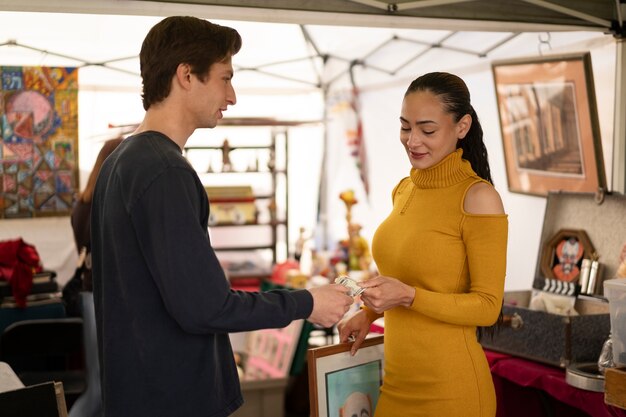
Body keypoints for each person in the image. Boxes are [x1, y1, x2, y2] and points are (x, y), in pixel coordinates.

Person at [90, 16, 353, 417]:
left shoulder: (120, 163)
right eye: (225, 78)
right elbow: (206, 307)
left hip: (138, 392)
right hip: (173, 400)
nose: (232, 96)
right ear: (186, 75)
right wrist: (306, 302)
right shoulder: (165, 170)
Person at [338, 72, 508, 417]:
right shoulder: (404, 189)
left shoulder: (478, 198)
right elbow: (400, 274)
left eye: (427, 130)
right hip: (396, 383)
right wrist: (369, 312)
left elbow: (488, 306)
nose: (412, 140)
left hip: (452, 391)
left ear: (462, 126)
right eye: (405, 127)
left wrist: (409, 296)